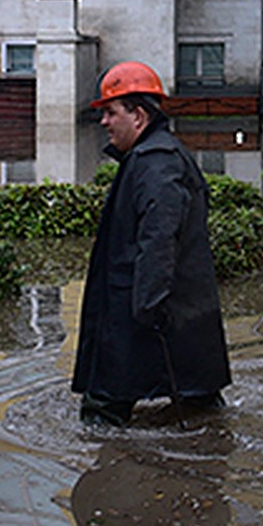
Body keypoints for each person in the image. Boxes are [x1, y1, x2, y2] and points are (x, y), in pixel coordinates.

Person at [72, 61, 231, 427]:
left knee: (103, 413)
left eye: (111, 112)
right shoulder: (149, 157)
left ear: (139, 115)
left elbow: (160, 238)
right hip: (164, 311)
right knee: (197, 401)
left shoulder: (157, 163)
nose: (104, 122)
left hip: (147, 311)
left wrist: (147, 304)